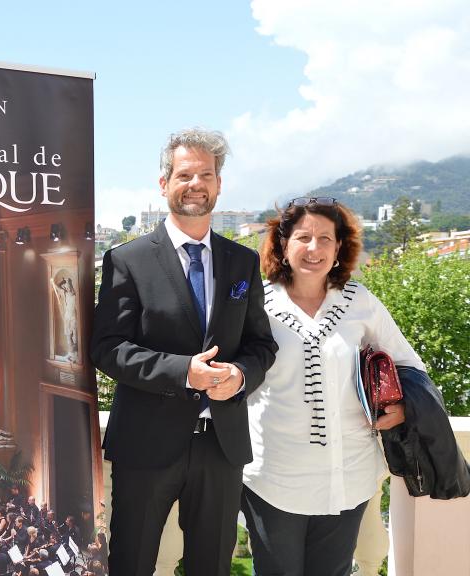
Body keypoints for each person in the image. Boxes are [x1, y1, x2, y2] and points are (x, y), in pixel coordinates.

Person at [91, 128, 278, 575]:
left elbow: (261, 345)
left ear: (218, 184)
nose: (196, 183)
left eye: (206, 175)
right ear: (164, 184)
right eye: (185, 174)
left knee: (211, 567)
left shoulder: (242, 262)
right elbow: (107, 348)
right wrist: (182, 372)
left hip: (222, 447)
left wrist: (240, 376)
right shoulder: (127, 260)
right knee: (131, 564)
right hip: (146, 445)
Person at [242, 198, 423, 576]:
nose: (314, 248)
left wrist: (404, 408)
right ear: (282, 244)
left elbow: (409, 366)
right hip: (273, 481)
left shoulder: (361, 303)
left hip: (349, 478)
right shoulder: (253, 304)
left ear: (339, 247)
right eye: (303, 237)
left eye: (326, 238)